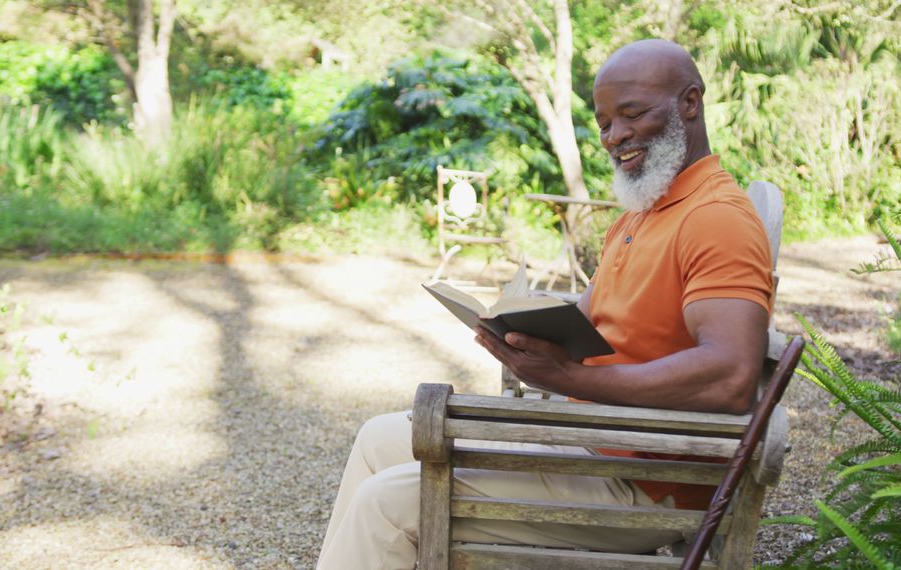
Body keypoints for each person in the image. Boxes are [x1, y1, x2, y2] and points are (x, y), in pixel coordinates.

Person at [316, 39, 773, 570]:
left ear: (689, 103)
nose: (615, 136)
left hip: (645, 484)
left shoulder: (715, 217)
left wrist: (571, 380)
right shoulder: (643, 213)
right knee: (378, 438)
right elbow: (596, 317)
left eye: (632, 114)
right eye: (604, 124)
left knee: (388, 504)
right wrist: (520, 328)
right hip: (592, 444)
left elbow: (730, 374)